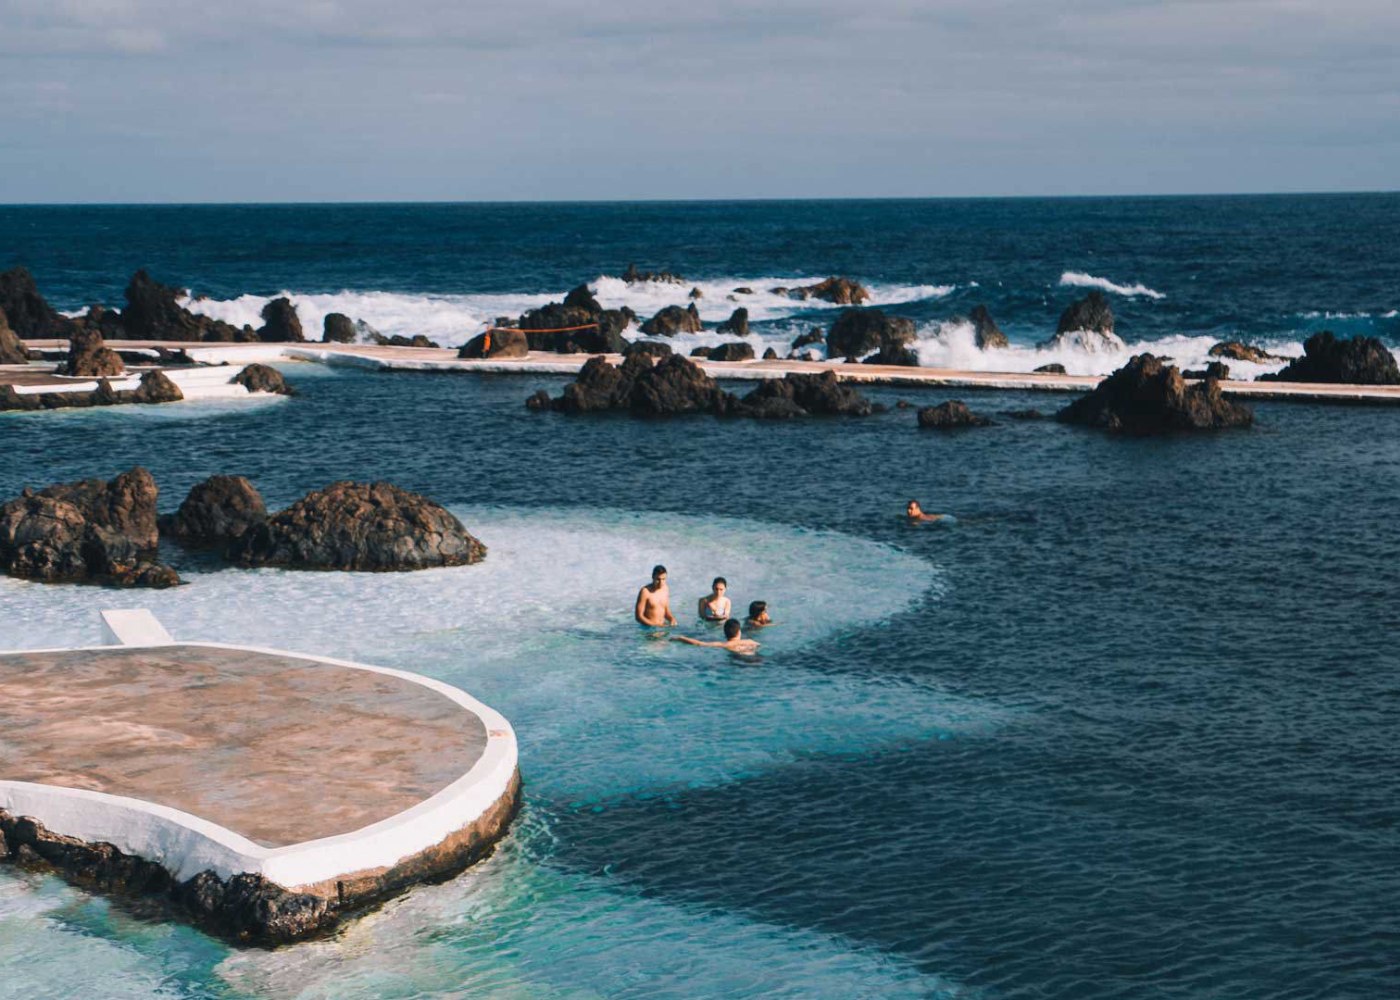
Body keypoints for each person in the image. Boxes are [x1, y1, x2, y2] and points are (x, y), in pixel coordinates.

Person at [671, 618, 759, 654]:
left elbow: (699, 644)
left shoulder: (724, 644)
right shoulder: (751, 641)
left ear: (725, 633)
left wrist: (681, 638)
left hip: (740, 661)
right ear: (739, 632)